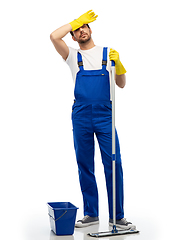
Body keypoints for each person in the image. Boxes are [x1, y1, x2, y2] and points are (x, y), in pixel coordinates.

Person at [50, 10, 136, 230]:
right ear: (74, 36)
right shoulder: (71, 55)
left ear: (90, 30)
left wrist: (120, 66)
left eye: (85, 27)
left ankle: (117, 216)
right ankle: (91, 214)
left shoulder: (108, 53)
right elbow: (53, 36)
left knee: (113, 164)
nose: (82, 31)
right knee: (85, 165)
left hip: (105, 116)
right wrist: (75, 21)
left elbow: (122, 84)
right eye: (78, 29)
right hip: (81, 116)